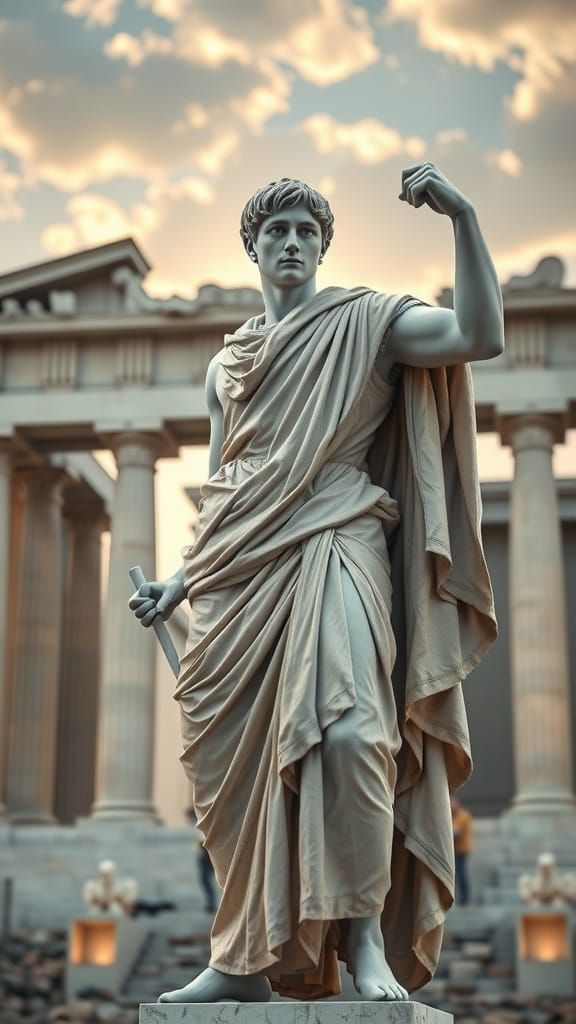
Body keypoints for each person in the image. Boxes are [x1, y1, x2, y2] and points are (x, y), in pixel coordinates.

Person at [129, 164, 501, 1003]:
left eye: (305, 231)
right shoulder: (228, 366)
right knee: (239, 767)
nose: (290, 243)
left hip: (338, 540)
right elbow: (233, 491)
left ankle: (363, 941)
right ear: (253, 249)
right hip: (242, 578)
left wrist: (464, 217)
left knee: (351, 737)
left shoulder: (368, 323)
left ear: (323, 247)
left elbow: (480, 334)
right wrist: (181, 584)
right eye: (275, 232)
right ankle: (241, 958)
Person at [451, 794, 473, 906]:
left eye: (453, 802)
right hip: (454, 850)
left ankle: (465, 898)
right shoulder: (452, 816)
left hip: (462, 849)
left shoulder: (463, 816)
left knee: (462, 873)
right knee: (457, 874)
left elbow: (457, 832)